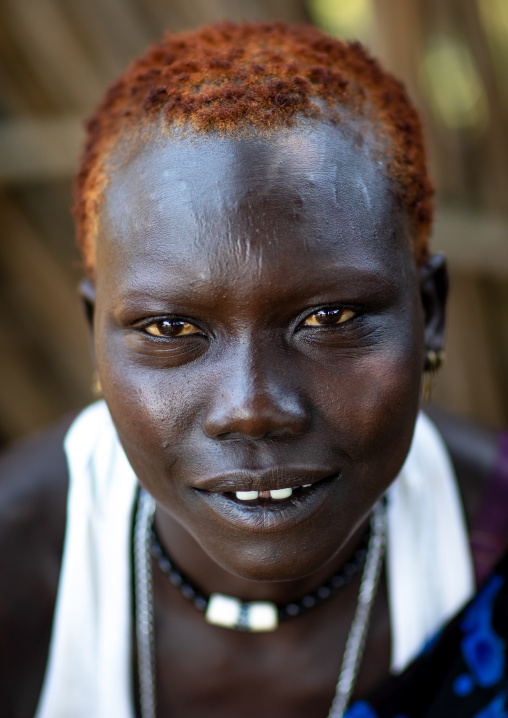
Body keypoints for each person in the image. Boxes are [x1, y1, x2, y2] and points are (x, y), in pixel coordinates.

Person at [0, 21, 506, 718]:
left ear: (430, 313)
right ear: (97, 337)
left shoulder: (493, 539)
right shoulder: (15, 572)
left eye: (329, 319)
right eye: (172, 328)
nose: (253, 407)